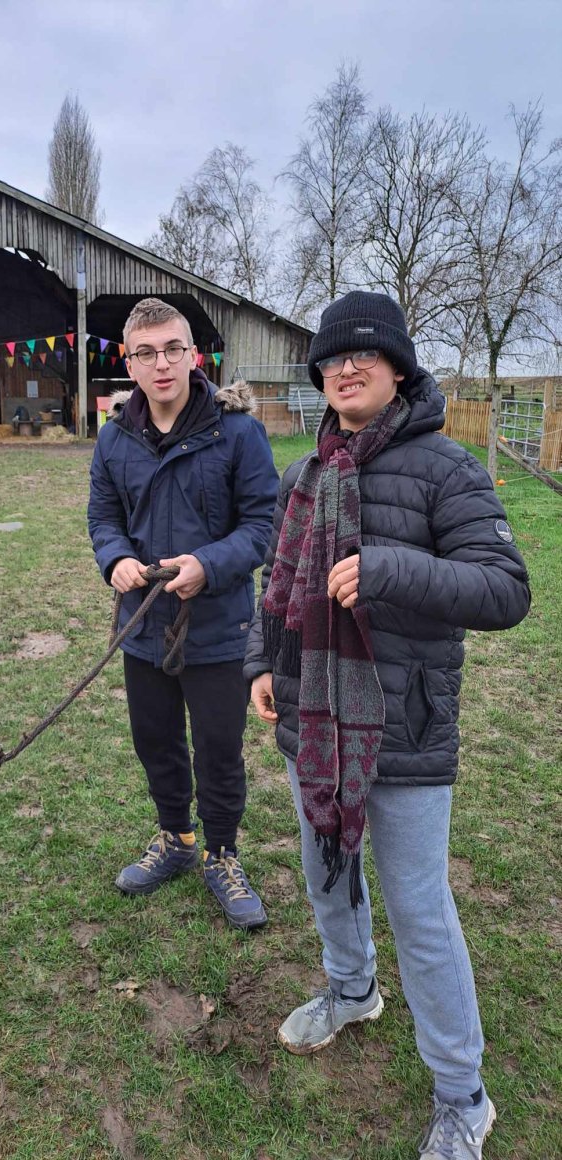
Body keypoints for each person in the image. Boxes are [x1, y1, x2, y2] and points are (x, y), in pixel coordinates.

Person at [243, 291, 531, 1158]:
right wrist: (263, 665)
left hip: (402, 730)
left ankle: (462, 1095)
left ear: (398, 367)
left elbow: (505, 589)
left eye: (365, 356)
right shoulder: (305, 476)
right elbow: (278, 585)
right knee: (327, 874)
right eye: (332, 359)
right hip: (312, 722)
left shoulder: (448, 470)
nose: (347, 369)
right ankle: (351, 988)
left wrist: (392, 569)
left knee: (419, 906)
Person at [88, 297, 279, 929]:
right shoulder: (114, 438)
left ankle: (222, 851)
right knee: (155, 741)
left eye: (173, 348)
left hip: (218, 629)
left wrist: (208, 564)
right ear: (129, 363)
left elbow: (262, 525)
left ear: (194, 354)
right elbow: (104, 517)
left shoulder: (238, 432)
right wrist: (115, 558)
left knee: (219, 748)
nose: (162, 363)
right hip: (142, 625)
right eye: (147, 353)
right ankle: (176, 837)